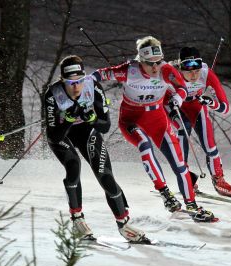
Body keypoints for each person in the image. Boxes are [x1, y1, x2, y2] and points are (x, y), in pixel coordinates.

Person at [91, 36, 214, 222]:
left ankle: (191, 203)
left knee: (179, 164)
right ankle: (165, 193)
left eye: (158, 62)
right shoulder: (129, 70)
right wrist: (84, 87)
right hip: (132, 120)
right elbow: (99, 75)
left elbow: (181, 88)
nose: (155, 68)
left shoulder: (165, 69)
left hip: (157, 118)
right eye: (150, 64)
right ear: (140, 60)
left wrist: (177, 99)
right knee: (144, 145)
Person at [44, 55, 147, 242]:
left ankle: (123, 223)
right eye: (70, 82)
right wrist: (67, 119)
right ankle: (77, 219)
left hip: (86, 131)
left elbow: (105, 126)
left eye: (80, 81)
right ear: (62, 80)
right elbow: (53, 136)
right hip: (62, 133)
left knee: (105, 175)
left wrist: (91, 118)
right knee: (73, 165)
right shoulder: (53, 94)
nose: (76, 87)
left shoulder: (93, 86)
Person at [165, 47, 231, 197]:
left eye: (197, 70)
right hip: (174, 108)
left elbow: (225, 108)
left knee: (210, 146)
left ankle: (219, 180)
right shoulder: (170, 74)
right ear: (180, 68)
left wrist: (210, 102)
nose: (194, 75)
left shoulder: (206, 74)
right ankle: (186, 180)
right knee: (182, 133)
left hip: (196, 106)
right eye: (188, 70)